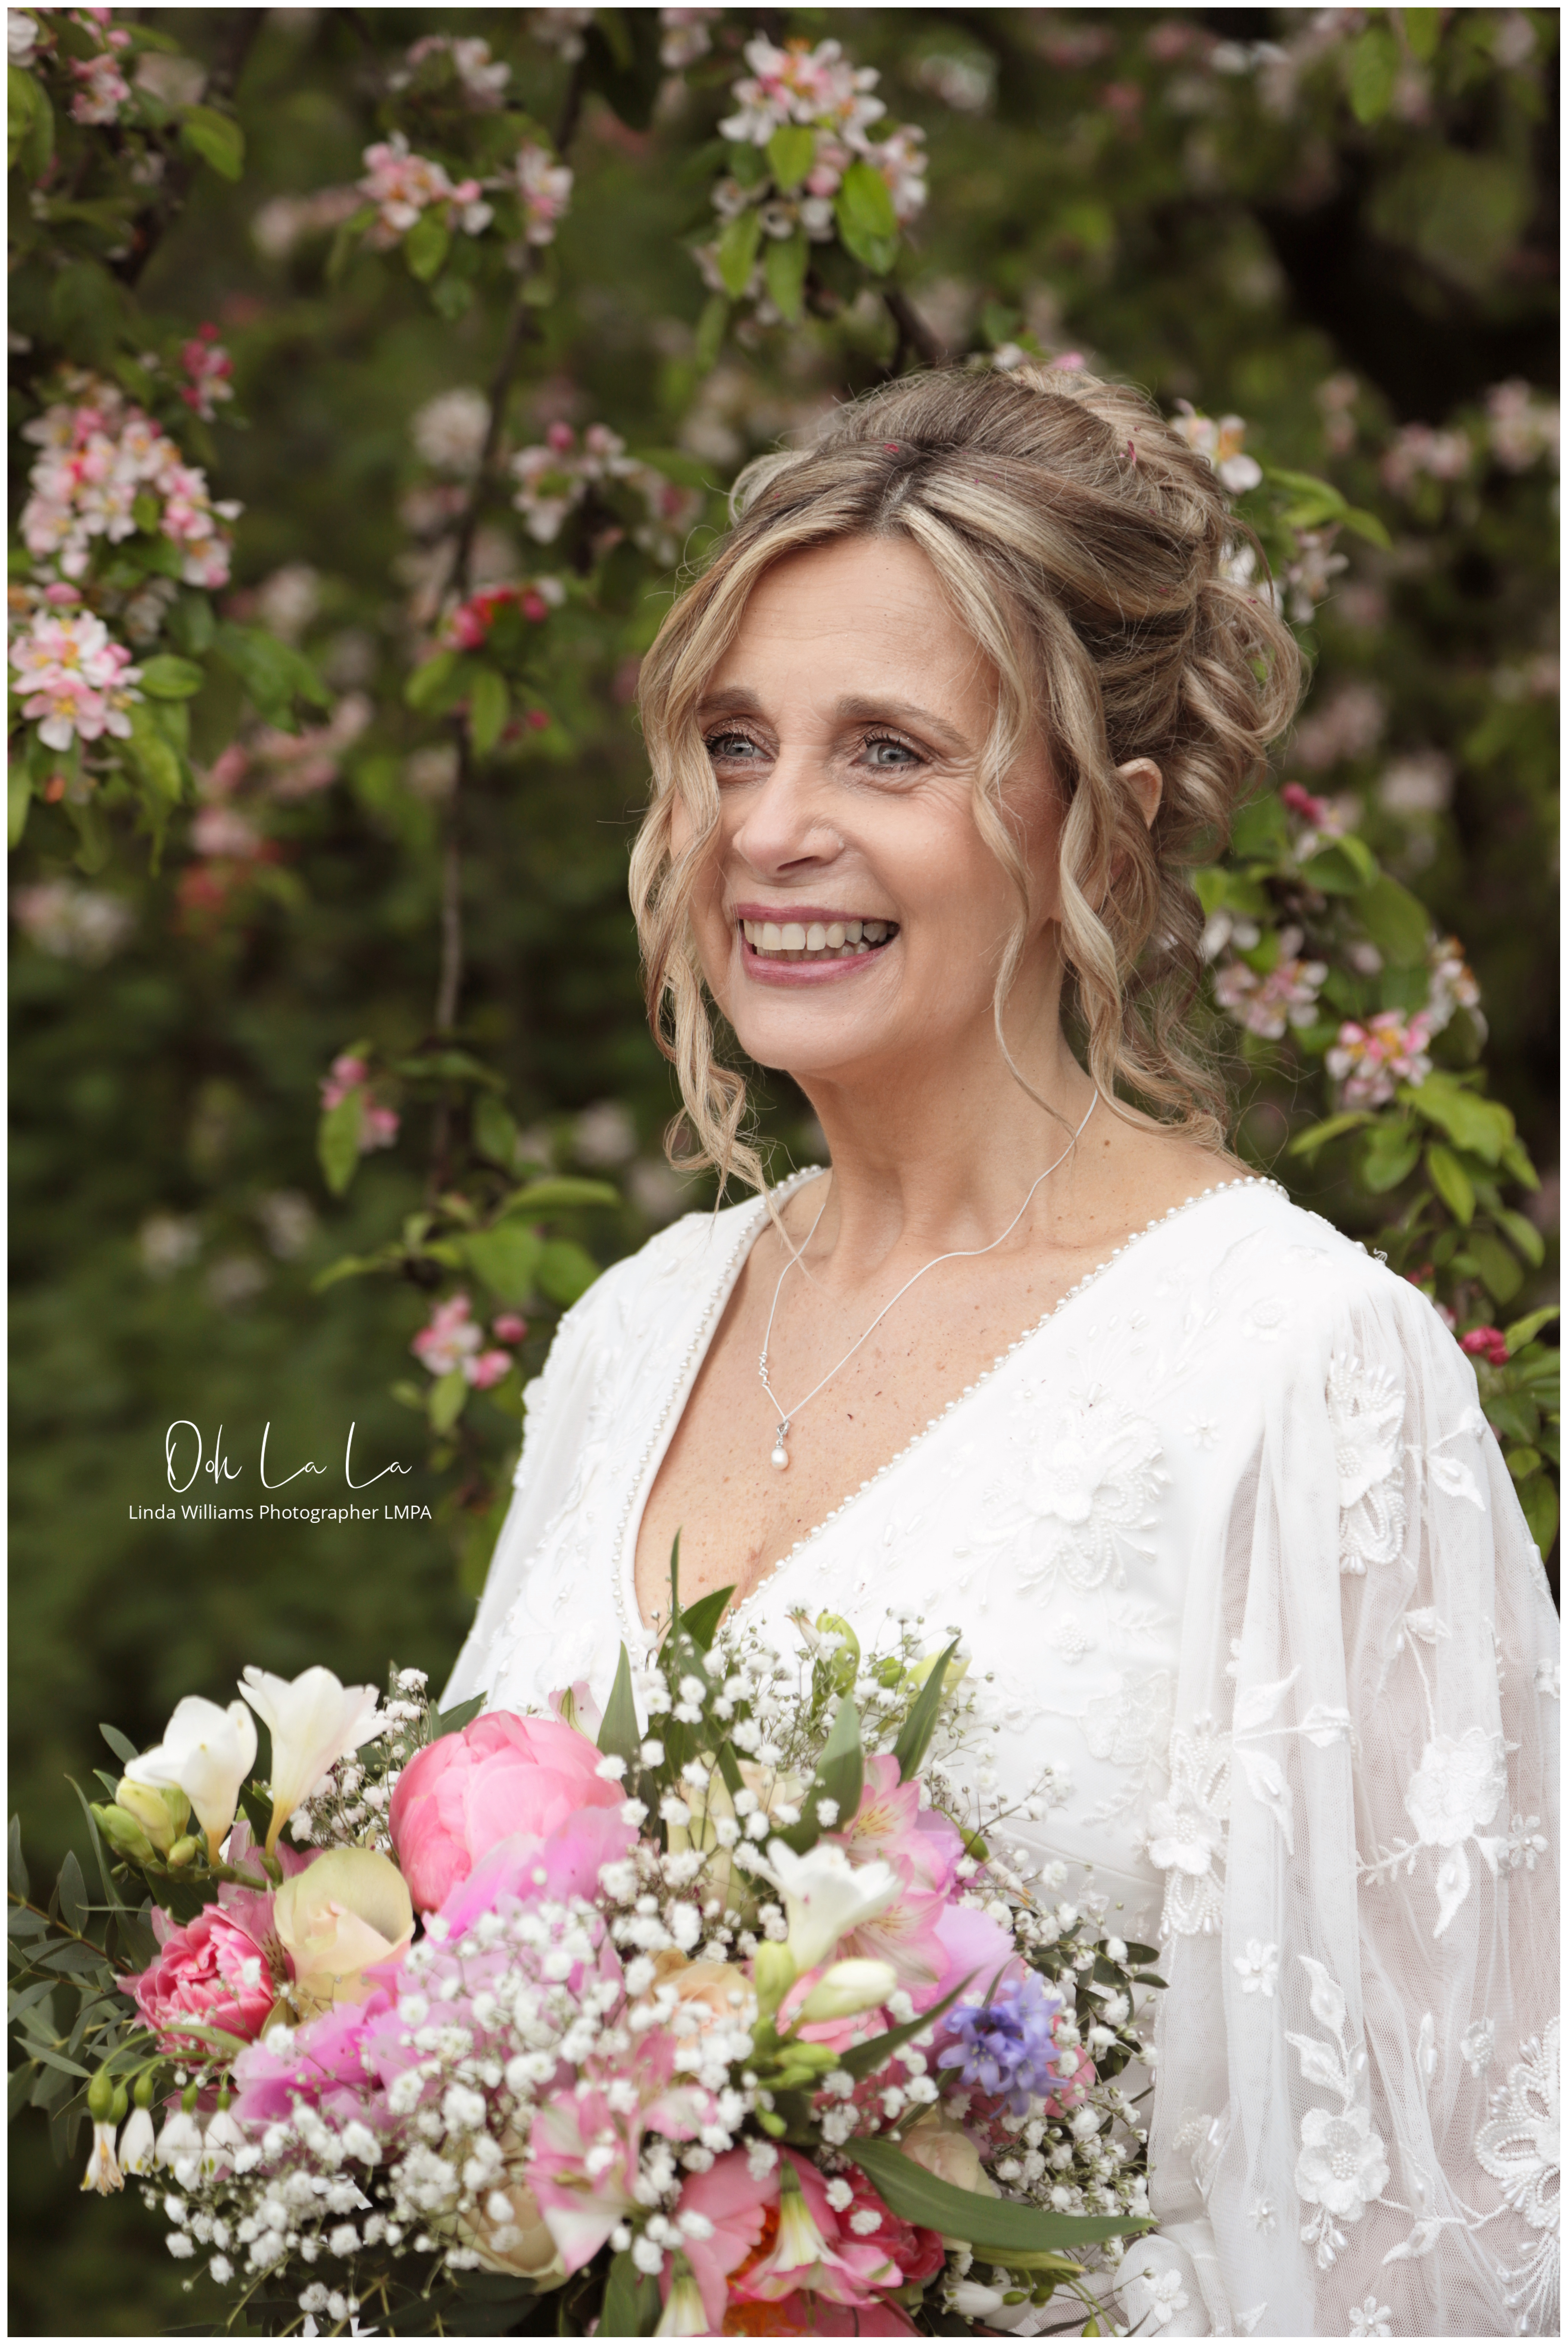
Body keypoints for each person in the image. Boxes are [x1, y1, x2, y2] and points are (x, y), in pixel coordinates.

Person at [443, 365, 1559, 2336]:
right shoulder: (630, 1338)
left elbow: (1477, 2195)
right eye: (734, 741)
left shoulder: (1304, 1376)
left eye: (887, 752)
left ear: (1099, 836)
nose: (772, 829)